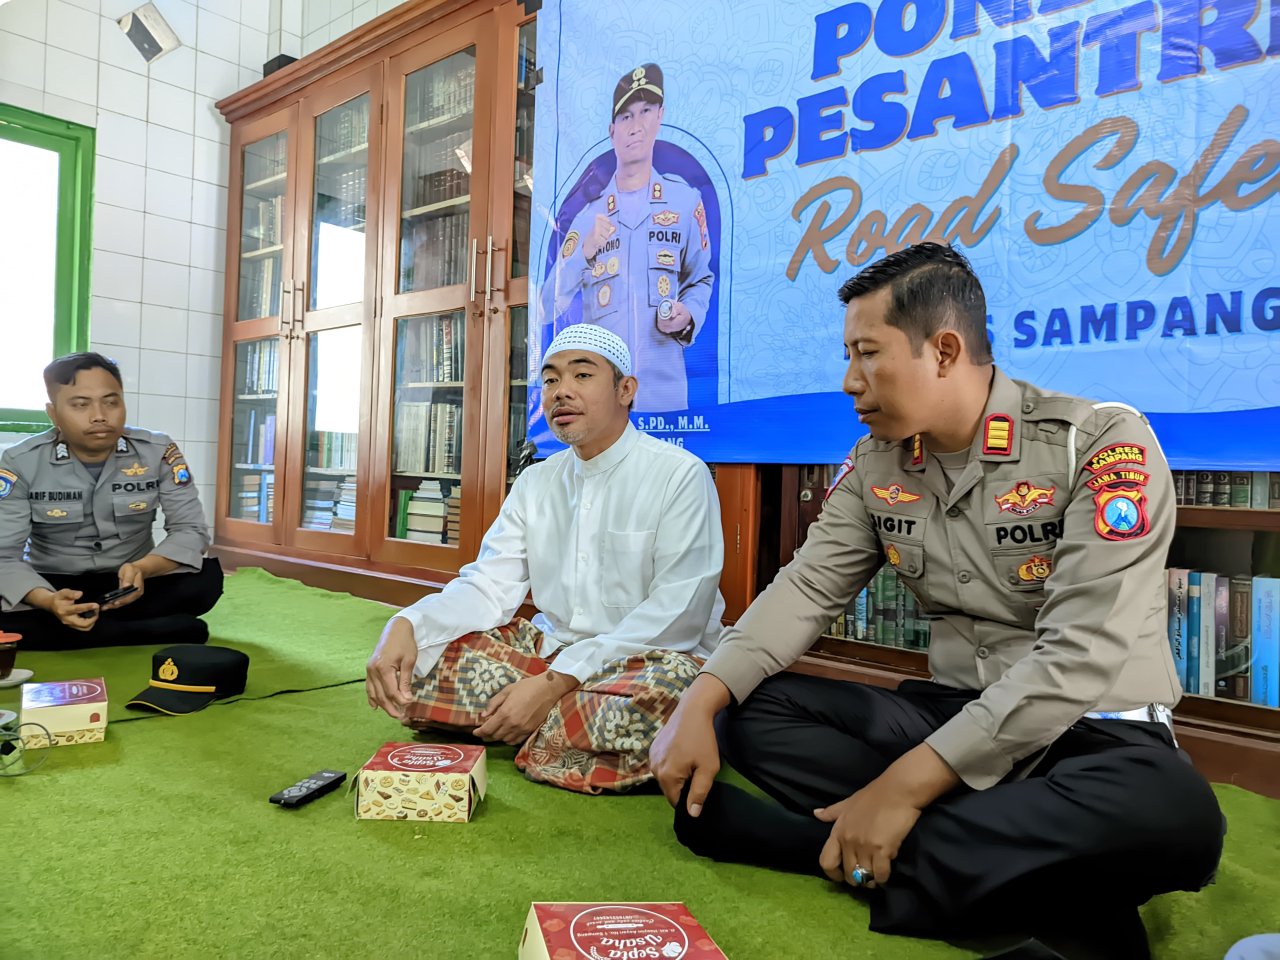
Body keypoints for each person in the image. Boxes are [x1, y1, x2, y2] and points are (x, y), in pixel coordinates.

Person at [650, 244, 1225, 959]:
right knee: (754, 710)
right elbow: (805, 588)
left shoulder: (1099, 443)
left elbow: (1080, 656)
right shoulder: (875, 464)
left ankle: (812, 844)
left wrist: (901, 791)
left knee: (1179, 817)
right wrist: (698, 702)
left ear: (945, 350)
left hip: (1090, 733)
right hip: (952, 713)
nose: (849, 381)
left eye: (867, 354)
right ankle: (1048, 879)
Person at [366, 324, 725, 794]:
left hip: (644, 661)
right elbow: (488, 585)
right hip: (548, 655)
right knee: (423, 661)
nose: (562, 392)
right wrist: (407, 623)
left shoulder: (680, 475)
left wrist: (555, 684)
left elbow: (678, 615)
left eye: (582, 375)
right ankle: (557, 739)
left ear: (626, 389)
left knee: (669, 691)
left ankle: (521, 720)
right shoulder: (537, 483)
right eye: (551, 380)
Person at [0, 353, 222, 650]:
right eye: (80, 404)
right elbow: (4, 556)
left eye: (111, 402)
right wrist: (49, 600)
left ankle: (72, 632)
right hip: (54, 583)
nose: (99, 416)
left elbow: (191, 531)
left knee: (203, 582)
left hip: (132, 583)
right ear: (53, 413)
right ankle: (145, 630)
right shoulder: (21, 461)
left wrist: (144, 568)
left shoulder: (156, 451)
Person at [545, 63, 714, 414]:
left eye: (645, 111)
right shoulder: (587, 217)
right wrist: (583, 252)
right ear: (612, 130)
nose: (635, 126)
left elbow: (701, 280)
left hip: (666, 399)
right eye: (625, 117)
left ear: (659, 117)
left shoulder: (685, 202)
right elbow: (548, 306)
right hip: (602, 406)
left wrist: (688, 315)